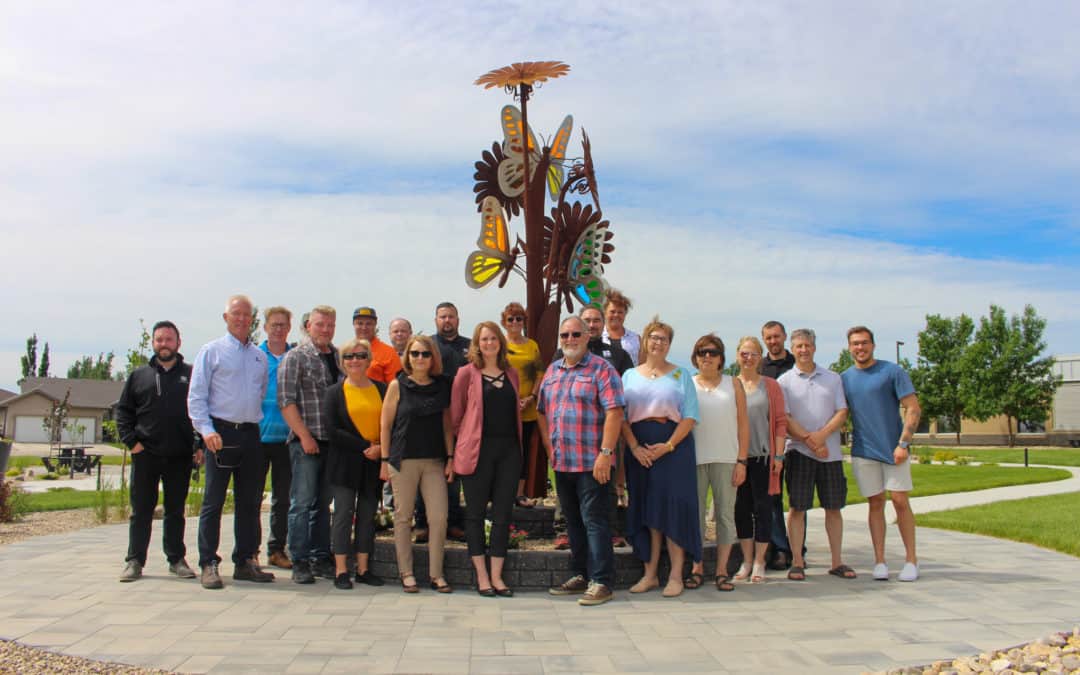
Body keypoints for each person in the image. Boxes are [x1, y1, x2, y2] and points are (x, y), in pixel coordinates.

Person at [538, 316, 625, 606]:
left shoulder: (602, 369)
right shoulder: (552, 372)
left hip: (592, 462)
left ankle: (601, 581)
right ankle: (579, 575)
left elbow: (614, 412)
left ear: (588, 337)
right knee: (573, 522)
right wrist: (550, 447)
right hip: (563, 463)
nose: (570, 339)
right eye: (565, 335)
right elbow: (541, 411)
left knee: (595, 522)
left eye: (576, 334)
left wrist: (606, 453)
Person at [188, 295, 273, 589]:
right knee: (214, 500)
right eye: (235, 314)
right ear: (225, 318)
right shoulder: (211, 351)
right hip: (219, 434)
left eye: (246, 315)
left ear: (253, 320)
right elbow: (197, 395)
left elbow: (259, 393)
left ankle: (245, 561)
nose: (241, 319)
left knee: (250, 502)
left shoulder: (259, 357)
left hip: (250, 433)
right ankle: (208, 562)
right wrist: (206, 430)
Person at [620, 317, 701, 598]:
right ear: (644, 341)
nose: (658, 342)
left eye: (664, 339)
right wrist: (634, 447)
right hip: (640, 449)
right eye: (653, 337)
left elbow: (690, 415)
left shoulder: (681, 376)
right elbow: (619, 416)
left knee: (673, 510)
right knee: (648, 511)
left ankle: (676, 575)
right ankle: (650, 574)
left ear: (669, 344)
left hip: (674, 449)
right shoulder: (629, 376)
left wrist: (667, 446)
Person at [116, 320, 199, 582]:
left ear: (178, 342)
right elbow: (123, 413)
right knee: (141, 510)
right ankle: (135, 561)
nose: (164, 344)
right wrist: (133, 443)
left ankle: (176, 559)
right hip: (146, 455)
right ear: (153, 343)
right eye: (159, 340)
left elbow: (200, 413)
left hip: (180, 455)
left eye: (169, 339)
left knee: (175, 510)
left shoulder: (192, 374)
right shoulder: (138, 376)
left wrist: (198, 446)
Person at [841, 325, 922, 582]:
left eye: (864, 343)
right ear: (849, 347)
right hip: (864, 451)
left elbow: (913, 408)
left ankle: (911, 561)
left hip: (893, 449)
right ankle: (880, 562)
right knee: (875, 503)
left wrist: (904, 443)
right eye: (855, 343)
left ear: (873, 345)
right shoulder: (845, 378)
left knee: (899, 501)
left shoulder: (892, 372)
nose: (860, 347)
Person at [450, 322, 523, 597]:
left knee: (503, 515)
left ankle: (497, 576)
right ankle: (482, 576)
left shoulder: (512, 373)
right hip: (477, 452)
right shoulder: (466, 374)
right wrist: (465, 441)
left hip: (509, 452)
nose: (489, 343)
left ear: (501, 342)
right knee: (475, 515)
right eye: (484, 339)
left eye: (494, 338)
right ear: (477, 344)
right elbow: (455, 417)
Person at [379, 334, 455, 593]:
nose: (420, 358)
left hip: (434, 460)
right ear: (407, 357)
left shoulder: (442, 385)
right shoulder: (397, 385)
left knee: (439, 517)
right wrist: (385, 460)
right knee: (403, 517)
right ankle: (407, 572)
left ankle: (436, 574)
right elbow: (385, 425)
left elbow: (447, 425)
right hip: (403, 460)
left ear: (433, 357)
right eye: (415, 354)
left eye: (425, 354)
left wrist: (451, 457)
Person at [777, 328, 853, 582]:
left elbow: (842, 411)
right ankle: (797, 561)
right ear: (792, 348)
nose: (803, 350)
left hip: (829, 455)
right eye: (798, 346)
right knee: (798, 508)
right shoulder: (785, 381)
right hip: (799, 453)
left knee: (833, 508)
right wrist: (810, 440)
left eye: (807, 345)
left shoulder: (832, 378)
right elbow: (785, 419)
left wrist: (821, 437)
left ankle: (836, 562)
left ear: (814, 347)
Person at [279, 305, 340, 584]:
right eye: (320, 325)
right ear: (308, 327)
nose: (325, 330)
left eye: (330, 325)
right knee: (301, 504)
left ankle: (319, 557)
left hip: (332, 444)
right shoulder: (296, 357)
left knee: (322, 504)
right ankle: (300, 560)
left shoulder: (339, 357)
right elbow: (286, 401)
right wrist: (304, 436)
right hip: (306, 443)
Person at [322, 338, 387, 590]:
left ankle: (363, 569)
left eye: (360, 356)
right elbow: (332, 429)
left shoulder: (382, 389)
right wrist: (365, 447)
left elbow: (390, 424)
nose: (355, 361)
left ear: (369, 360)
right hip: (345, 462)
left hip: (374, 462)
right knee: (342, 515)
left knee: (367, 516)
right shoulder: (333, 392)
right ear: (342, 362)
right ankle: (341, 570)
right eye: (349, 357)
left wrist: (381, 448)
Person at [685, 334, 748, 593]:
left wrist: (741, 461)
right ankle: (697, 568)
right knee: (696, 518)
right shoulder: (688, 384)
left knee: (724, 516)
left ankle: (722, 571)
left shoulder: (733, 384)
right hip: (695, 460)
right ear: (695, 357)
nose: (707, 357)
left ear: (721, 357)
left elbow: (743, 426)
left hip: (726, 459)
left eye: (712, 352)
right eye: (702, 352)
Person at [733, 336, 788, 584]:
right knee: (741, 510)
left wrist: (778, 455)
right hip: (736, 459)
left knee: (763, 510)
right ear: (737, 355)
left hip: (764, 458)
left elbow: (779, 423)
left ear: (760, 357)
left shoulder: (771, 386)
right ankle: (746, 560)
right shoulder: (730, 385)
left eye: (754, 353)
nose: (748, 358)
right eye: (744, 353)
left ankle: (759, 562)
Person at [418, 301, 469, 542]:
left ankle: (453, 523)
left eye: (451, 316)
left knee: (453, 475)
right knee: (425, 471)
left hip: (460, 419)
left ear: (458, 319)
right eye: (442, 317)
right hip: (430, 417)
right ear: (436, 320)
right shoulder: (427, 346)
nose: (447, 321)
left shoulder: (469, 347)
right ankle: (422, 523)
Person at [258, 306, 294, 570]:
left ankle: (276, 549)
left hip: (287, 439)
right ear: (265, 327)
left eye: (283, 325)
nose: (279, 329)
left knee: (283, 499)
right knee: (251, 497)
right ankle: (248, 550)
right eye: (274, 325)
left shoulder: (295, 357)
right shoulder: (254, 356)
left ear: (289, 328)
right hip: (257, 438)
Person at [760, 320, 797, 570]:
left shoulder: (797, 364)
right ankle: (779, 548)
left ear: (784, 336)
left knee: (796, 500)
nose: (773, 341)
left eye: (776, 336)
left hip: (795, 442)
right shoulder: (760, 367)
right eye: (768, 338)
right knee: (772, 498)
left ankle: (796, 547)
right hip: (768, 441)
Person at [501, 302, 545, 506]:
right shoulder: (500, 344)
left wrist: (532, 397)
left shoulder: (532, 345)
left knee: (523, 452)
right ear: (504, 322)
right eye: (511, 319)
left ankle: (519, 494)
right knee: (503, 452)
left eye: (519, 319)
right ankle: (500, 493)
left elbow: (539, 374)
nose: (515, 323)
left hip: (527, 409)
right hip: (504, 408)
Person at [352, 307, 402, 384]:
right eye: (360, 323)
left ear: (375, 325)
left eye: (368, 324)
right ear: (353, 324)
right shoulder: (345, 351)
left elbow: (396, 388)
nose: (364, 327)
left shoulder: (389, 353)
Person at [601, 289, 641, 364]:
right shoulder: (597, 337)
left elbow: (643, 367)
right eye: (612, 312)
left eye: (620, 312)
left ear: (625, 313)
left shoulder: (635, 339)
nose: (616, 315)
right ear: (605, 312)